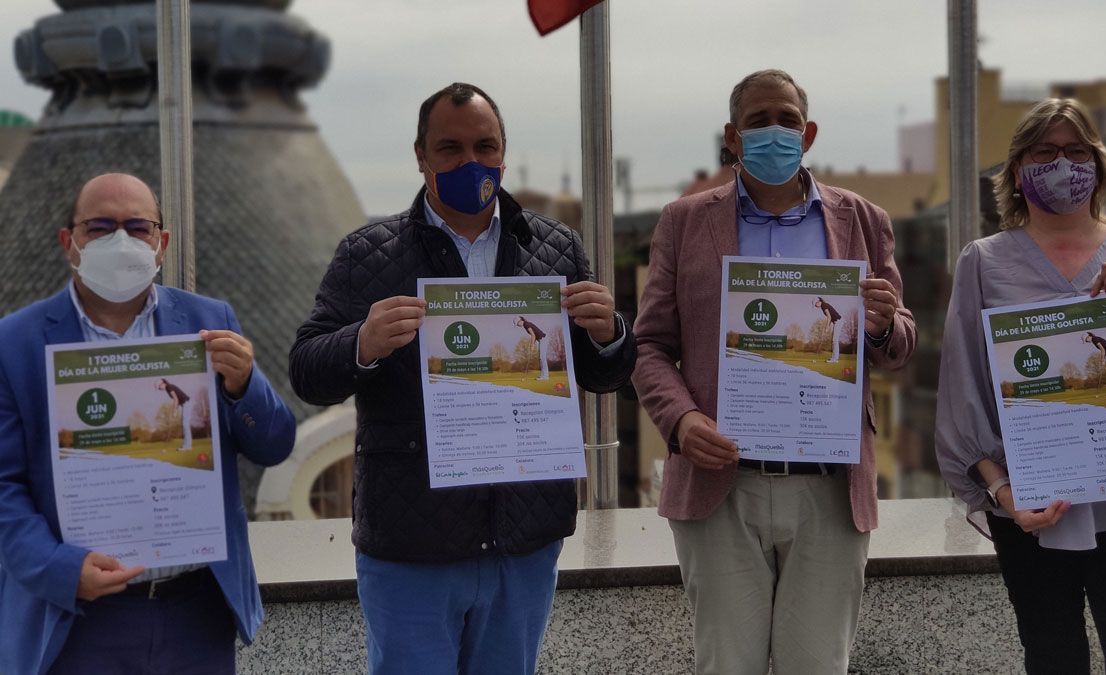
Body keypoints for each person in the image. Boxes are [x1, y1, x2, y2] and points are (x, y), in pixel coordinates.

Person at [289, 82, 636, 674]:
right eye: (450, 148)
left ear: (503, 152)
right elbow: (306, 370)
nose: (470, 162)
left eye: (485, 146)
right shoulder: (367, 253)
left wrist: (610, 335)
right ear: (420, 156)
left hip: (522, 544)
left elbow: (605, 375)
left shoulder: (556, 248)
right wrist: (362, 344)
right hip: (412, 547)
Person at [632, 69, 916, 674]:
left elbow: (899, 346)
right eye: (758, 121)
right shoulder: (683, 221)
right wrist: (680, 422)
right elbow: (650, 346)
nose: (774, 132)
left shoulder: (862, 219)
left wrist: (881, 325)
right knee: (725, 666)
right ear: (732, 138)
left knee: (818, 666)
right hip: (720, 485)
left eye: (787, 120)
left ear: (808, 133)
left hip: (829, 486)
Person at [935, 98, 1106, 674]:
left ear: (1098, 164)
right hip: (1032, 511)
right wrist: (1004, 496)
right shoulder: (982, 262)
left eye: (1076, 150)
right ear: (1017, 170)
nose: (1063, 164)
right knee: (1052, 661)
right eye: (1045, 152)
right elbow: (964, 391)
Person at [0, 173, 297, 675]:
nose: (120, 240)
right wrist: (61, 571)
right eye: (100, 227)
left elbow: (274, 444)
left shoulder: (208, 321)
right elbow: (4, 486)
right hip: (79, 619)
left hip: (195, 611)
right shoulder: (17, 341)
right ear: (69, 242)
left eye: (137, 227)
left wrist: (245, 384)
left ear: (161, 243)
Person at [156, 378, 194, 450]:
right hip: (185, 404)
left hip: (187, 403)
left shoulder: (169, 387)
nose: (159, 389)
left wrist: (175, 411)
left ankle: (187, 446)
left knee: (185, 424)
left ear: (162, 384)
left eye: (159, 387)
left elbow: (176, 399)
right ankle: (186, 445)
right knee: (185, 424)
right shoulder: (168, 388)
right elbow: (177, 399)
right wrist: (175, 410)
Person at [1082, 331, 1106, 395]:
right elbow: (1105, 350)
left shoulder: (1095, 339)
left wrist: (1102, 359)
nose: (1087, 341)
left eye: (1086, 340)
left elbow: (1102, 350)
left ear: (1089, 336)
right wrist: (1103, 360)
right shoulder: (1095, 339)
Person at [516, 316, 549, 380]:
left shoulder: (526, 324)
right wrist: (533, 345)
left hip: (543, 339)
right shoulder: (526, 324)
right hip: (541, 340)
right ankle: (543, 375)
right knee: (541, 358)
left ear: (519, 321)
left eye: (517, 324)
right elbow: (534, 335)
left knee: (542, 358)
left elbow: (533, 335)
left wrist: (532, 345)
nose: (517, 325)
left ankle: (545, 376)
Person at [814, 296, 843, 363]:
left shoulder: (824, 305)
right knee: (834, 340)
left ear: (818, 301)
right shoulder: (823, 305)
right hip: (837, 322)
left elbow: (829, 317)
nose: (816, 306)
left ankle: (834, 359)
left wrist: (827, 327)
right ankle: (835, 358)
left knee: (835, 340)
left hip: (838, 321)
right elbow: (830, 318)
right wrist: (828, 326)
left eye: (815, 305)